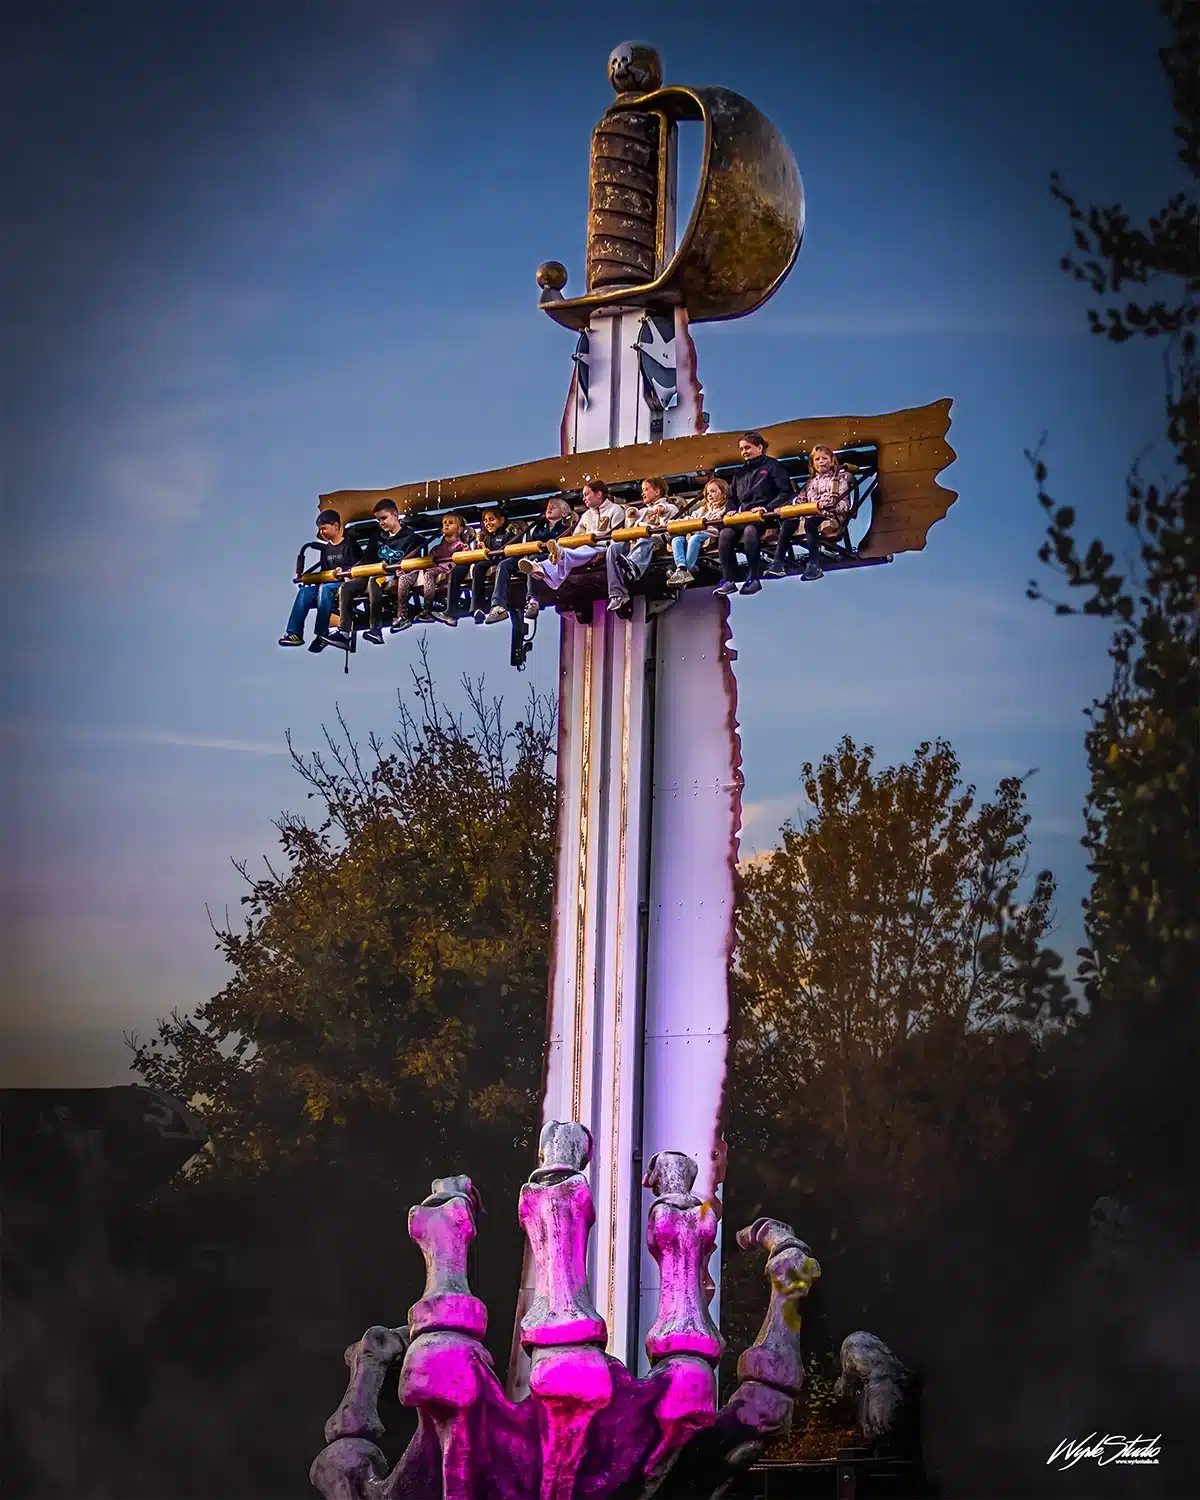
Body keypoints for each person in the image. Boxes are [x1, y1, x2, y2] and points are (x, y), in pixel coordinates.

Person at [322, 499, 421, 648]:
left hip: (390, 576)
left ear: (395, 515)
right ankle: (343, 632)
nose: (381, 523)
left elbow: (414, 560)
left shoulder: (411, 538)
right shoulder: (378, 537)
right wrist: (350, 572)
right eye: (378, 520)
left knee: (374, 581)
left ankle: (375, 629)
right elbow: (366, 559)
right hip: (371, 573)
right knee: (347, 587)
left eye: (384, 518)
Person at [713, 432, 794, 598]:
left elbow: (785, 492)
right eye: (742, 449)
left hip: (767, 516)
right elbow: (731, 497)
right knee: (725, 534)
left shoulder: (773, 466)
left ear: (760, 447)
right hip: (744, 516)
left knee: (751, 531)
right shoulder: (740, 473)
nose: (744, 452)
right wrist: (731, 509)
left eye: (747, 448)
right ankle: (729, 579)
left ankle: (754, 577)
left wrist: (767, 508)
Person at [518, 480, 624, 600]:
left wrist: (593, 541)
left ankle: (541, 566)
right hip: (587, 547)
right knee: (572, 553)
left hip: (605, 547)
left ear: (598, 494)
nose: (584, 498)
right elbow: (576, 537)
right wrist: (583, 541)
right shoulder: (586, 515)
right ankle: (540, 568)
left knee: (570, 554)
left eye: (586, 494)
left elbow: (617, 538)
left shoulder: (616, 510)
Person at [765, 444, 852, 582]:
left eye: (824, 458)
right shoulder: (810, 483)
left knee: (811, 523)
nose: (821, 462)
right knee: (788, 524)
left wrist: (829, 506)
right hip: (809, 515)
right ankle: (777, 563)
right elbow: (799, 502)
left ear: (831, 460)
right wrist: (786, 509)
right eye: (817, 459)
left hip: (829, 516)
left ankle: (814, 564)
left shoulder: (838, 479)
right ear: (813, 463)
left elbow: (845, 505)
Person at [484, 495, 573, 624]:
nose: (549, 508)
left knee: (532, 561)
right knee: (504, 564)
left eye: (554, 506)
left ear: (564, 512)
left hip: (547, 557)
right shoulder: (538, 527)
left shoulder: (565, 529)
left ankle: (533, 600)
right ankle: (498, 606)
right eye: (548, 506)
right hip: (530, 554)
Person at [280, 510, 358, 652]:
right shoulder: (326, 550)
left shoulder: (350, 546)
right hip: (328, 582)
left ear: (335, 526)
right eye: (320, 529)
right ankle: (294, 632)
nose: (322, 532)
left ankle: (321, 634)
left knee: (326, 589)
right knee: (305, 591)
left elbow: (358, 566)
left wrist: (344, 572)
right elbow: (325, 571)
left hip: (344, 583)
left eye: (324, 528)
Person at [606, 477, 678, 611]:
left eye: (646, 489)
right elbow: (630, 527)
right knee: (614, 547)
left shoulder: (670, 507)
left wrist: (661, 511)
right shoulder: (643, 510)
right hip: (636, 539)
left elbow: (667, 519)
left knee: (646, 538)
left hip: (656, 539)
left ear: (657, 491)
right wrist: (631, 517)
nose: (642, 493)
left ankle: (633, 565)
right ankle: (617, 593)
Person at [448, 507, 518, 623]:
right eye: (485, 521)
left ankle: (498, 605)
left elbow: (508, 551)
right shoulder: (487, 537)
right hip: (493, 560)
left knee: (502, 565)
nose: (488, 523)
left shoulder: (508, 535)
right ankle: (477, 608)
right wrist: (482, 549)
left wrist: (490, 552)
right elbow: (487, 554)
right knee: (479, 567)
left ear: (501, 521)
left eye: (491, 519)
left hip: (505, 560)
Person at [400, 512, 472, 625]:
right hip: (437, 569)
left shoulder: (459, 545)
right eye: (444, 523)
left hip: (448, 570)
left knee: (428, 574)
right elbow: (429, 557)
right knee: (416, 577)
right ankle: (407, 613)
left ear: (459, 529)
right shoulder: (439, 547)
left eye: (450, 523)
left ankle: (427, 608)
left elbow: (464, 555)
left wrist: (466, 549)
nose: (446, 525)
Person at [667, 476, 727, 585]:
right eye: (708, 493)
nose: (710, 495)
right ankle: (681, 567)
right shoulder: (702, 509)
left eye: (713, 491)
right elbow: (691, 518)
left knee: (694, 538)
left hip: (710, 533)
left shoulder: (724, 508)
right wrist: (675, 522)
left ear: (723, 492)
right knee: (677, 540)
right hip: (694, 532)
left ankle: (688, 570)